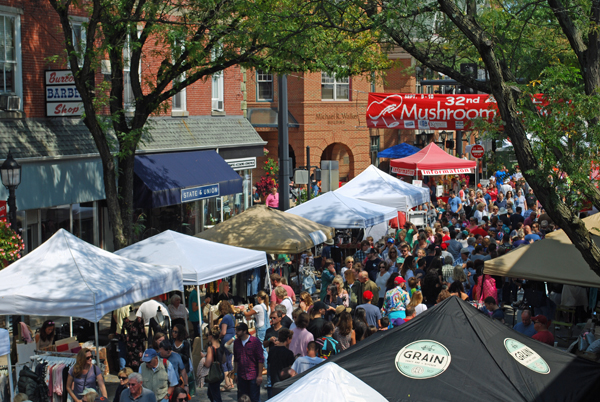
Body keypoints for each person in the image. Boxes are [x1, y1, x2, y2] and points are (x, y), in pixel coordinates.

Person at [233, 323, 264, 402]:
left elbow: (260, 359)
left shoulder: (255, 341)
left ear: (244, 331)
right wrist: (235, 374)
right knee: (242, 398)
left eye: (238, 330)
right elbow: (236, 359)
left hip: (253, 375)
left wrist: (260, 376)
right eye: (236, 330)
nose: (236, 332)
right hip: (241, 375)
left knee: (254, 398)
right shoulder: (236, 342)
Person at [266, 328, 295, 397]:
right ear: (288, 339)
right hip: (285, 383)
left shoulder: (272, 350)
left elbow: (269, 364)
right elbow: (291, 369)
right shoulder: (289, 353)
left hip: (274, 382)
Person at [218, 300, 236, 392]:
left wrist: (218, 335)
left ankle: (227, 383)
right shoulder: (232, 316)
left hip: (226, 340)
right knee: (230, 361)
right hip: (232, 339)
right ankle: (231, 382)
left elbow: (223, 332)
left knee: (224, 362)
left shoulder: (225, 318)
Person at [202, 333, 225, 402]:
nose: (207, 337)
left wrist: (204, 358)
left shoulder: (210, 348)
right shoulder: (221, 346)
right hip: (220, 372)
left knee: (216, 397)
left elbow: (207, 364)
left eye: (208, 336)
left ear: (211, 336)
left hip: (213, 374)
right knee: (210, 394)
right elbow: (224, 360)